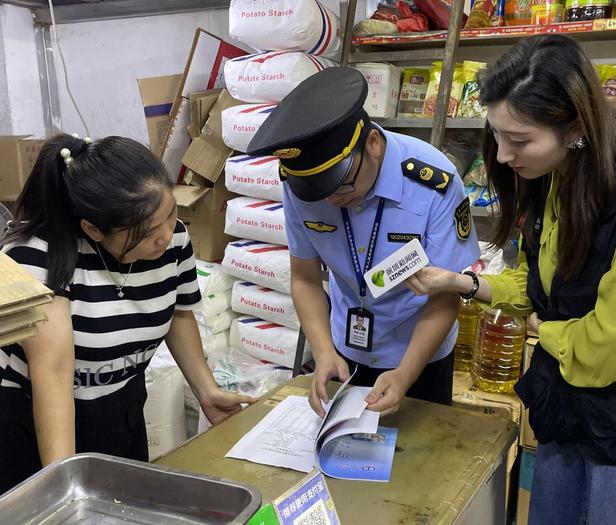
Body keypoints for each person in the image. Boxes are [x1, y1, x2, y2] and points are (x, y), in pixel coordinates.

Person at [406, 35, 616, 524]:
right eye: (496, 135)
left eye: (519, 141)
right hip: (570, 412)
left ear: (577, 127)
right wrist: (458, 282)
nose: (501, 156)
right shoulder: (558, 170)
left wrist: (546, 332)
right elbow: (544, 289)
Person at [0, 134, 256, 494]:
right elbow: (54, 373)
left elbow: (178, 313)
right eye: (147, 232)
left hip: (120, 409)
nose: (166, 236)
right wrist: (66, 489)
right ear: (93, 229)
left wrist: (206, 390)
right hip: (36, 420)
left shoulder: (172, 241)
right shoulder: (37, 256)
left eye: (171, 214)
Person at [247, 67, 479, 417]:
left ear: (372, 144)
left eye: (342, 185)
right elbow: (305, 278)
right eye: (319, 193)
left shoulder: (433, 182)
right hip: (344, 353)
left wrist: (405, 375)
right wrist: (324, 351)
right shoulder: (303, 187)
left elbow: (445, 295)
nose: (331, 200)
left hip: (420, 355)